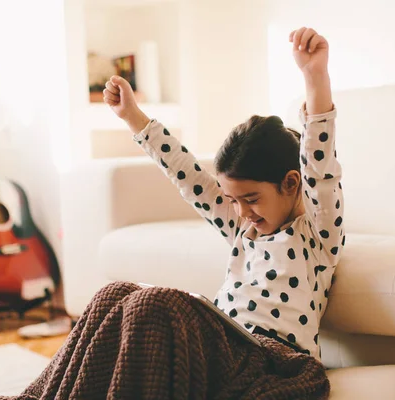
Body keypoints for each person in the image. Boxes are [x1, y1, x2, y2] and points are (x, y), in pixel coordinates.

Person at [102, 26, 344, 359]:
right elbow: (186, 175)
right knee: (115, 298)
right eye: (233, 201)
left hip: (275, 360)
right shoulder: (242, 228)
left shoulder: (316, 237)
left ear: (290, 183)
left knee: (153, 304)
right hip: (220, 346)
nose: (243, 212)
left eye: (252, 199)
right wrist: (132, 116)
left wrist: (315, 76)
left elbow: (321, 167)